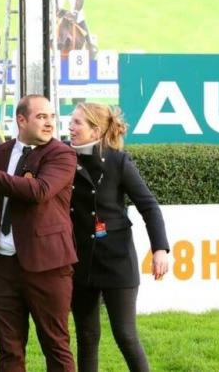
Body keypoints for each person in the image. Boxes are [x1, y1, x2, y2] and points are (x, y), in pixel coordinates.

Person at [0, 95, 78, 372]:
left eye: (52, 116)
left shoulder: (61, 154)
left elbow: (39, 191)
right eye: (42, 117)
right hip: (0, 267)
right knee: (9, 351)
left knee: (56, 346)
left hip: (48, 266)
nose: (50, 122)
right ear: (21, 120)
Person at [67, 103, 169, 372]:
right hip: (80, 261)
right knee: (87, 338)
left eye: (77, 122)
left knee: (125, 334)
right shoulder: (63, 157)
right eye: (71, 121)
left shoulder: (118, 161)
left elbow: (149, 205)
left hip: (117, 260)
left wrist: (160, 249)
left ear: (95, 129)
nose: (70, 127)